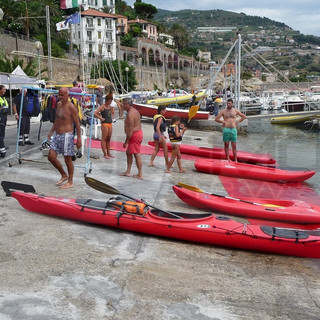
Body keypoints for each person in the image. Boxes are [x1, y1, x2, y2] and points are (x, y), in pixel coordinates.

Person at [47, 87, 82, 189]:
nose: (60, 97)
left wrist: (79, 138)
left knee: (67, 159)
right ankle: (64, 174)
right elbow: (57, 119)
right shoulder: (58, 104)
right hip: (57, 135)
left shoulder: (71, 107)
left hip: (67, 135)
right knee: (51, 157)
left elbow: (77, 123)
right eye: (59, 95)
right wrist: (51, 131)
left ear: (68, 95)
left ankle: (70, 181)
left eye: (62, 95)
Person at [119, 97, 143, 179]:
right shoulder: (134, 111)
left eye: (124, 104)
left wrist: (126, 142)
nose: (123, 105)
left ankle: (140, 173)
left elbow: (130, 131)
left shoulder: (130, 114)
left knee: (137, 154)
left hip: (134, 135)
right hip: (137, 133)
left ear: (129, 105)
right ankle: (128, 171)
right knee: (129, 153)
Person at [94, 93, 115, 159]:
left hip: (109, 123)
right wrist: (101, 118)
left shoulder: (110, 107)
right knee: (104, 139)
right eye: (110, 101)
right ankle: (105, 153)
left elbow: (112, 114)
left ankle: (108, 153)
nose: (110, 102)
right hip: (104, 123)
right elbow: (95, 113)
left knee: (108, 139)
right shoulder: (103, 106)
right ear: (107, 100)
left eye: (111, 101)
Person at [0, 85, 9, 157]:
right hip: (1, 117)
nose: (5, 91)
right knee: (0, 134)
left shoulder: (4, 98)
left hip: (4, 117)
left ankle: (2, 146)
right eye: (4, 89)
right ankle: (2, 149)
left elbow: (6, 107)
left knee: (2, 133)